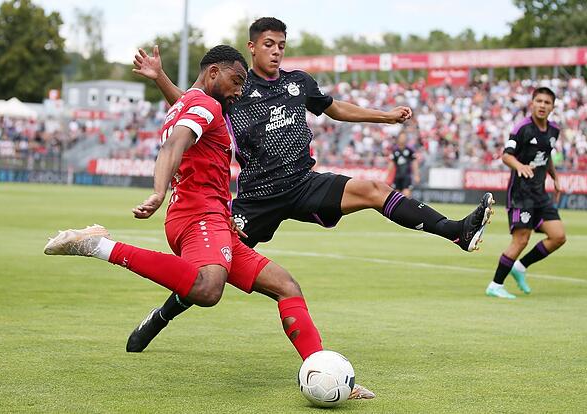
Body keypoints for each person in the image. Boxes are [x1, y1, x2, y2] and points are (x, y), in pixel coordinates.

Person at [129, 17, 494, 350]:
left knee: (372, 190)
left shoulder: (297, 82)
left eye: (282, 45)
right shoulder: (235, 88)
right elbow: (191, 106)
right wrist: (161, 77)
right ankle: (161, 317)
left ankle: (456, 231)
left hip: (304, 184)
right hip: (256, 199)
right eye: (269, 44)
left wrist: (383, 117)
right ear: (252, 47)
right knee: (213, 276)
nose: (276, 51)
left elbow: (335, 108)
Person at [44, 45, 374, 400]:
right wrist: (157, 192)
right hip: (197, 215)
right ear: (214, 72)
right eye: (235, 80)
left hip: (212, 217)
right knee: (206, 289)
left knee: (286, 286)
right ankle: (98, 245)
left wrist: (160, 78)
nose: (238, 90)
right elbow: (174, 146)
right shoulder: (206, 105)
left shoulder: (189, 104)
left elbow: (186, 105)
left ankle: (321, 367)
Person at [486, 87, 567, 299]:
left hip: (540, 194)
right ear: (532, 103)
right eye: (538, 101)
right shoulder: (522, 128)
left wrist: (555, 178)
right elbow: (506, 156)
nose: (542, 105)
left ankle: (520, 267)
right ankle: (495, 285)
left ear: (552, 107)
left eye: (547, 102)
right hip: (520, 195)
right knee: (521, 240)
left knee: (558, 236)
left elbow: (546, 155)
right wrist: (519, 166)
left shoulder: (554, 130)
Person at [387, 131, 420, 198]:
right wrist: (388, 176)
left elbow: (414, 163)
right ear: (398, 138)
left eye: (404, 137)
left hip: (407, 177)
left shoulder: (410, 150)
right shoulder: (395, 150)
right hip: (397, 177)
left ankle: (407, 208)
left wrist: (416, 175)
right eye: (401, 137)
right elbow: (391, 164)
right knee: (396, 197)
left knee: (406, 195)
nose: (403, 139)